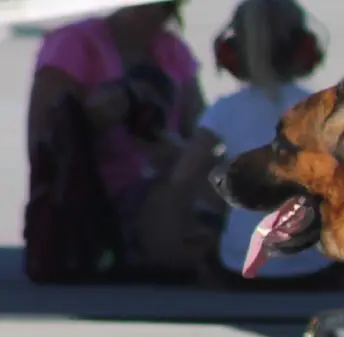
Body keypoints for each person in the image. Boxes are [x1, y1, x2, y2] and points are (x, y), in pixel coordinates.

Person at [161, 0, 344, 290]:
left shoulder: (224, 110)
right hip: (314, 269)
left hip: (239, 267)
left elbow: (182, 178)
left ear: (230, 53)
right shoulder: (323, 109)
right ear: (306, 48)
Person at [25, 1, 207, 283]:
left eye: (165, 8)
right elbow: (42, 136)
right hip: (95, 202)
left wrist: (170, 148)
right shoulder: (74, 43)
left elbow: (200, 132)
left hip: (171, 185)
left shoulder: (171, 50)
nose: (150, 14)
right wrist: (94, 116)